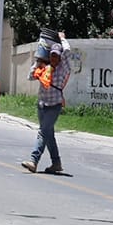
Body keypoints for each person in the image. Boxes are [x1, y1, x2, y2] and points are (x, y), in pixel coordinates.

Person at [22, 29, 72, 174]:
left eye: (57, 56)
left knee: (43, 132)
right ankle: (56, 163)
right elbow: (30, 76)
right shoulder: (45, 69)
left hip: (54, 106)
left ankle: (33, 161)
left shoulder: (63, 69)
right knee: (48, 134)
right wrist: (37, 63)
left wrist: (62, 38)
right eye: (52, 56)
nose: (55, 58)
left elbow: (67, 51)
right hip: (42, 105)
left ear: (60, 57)